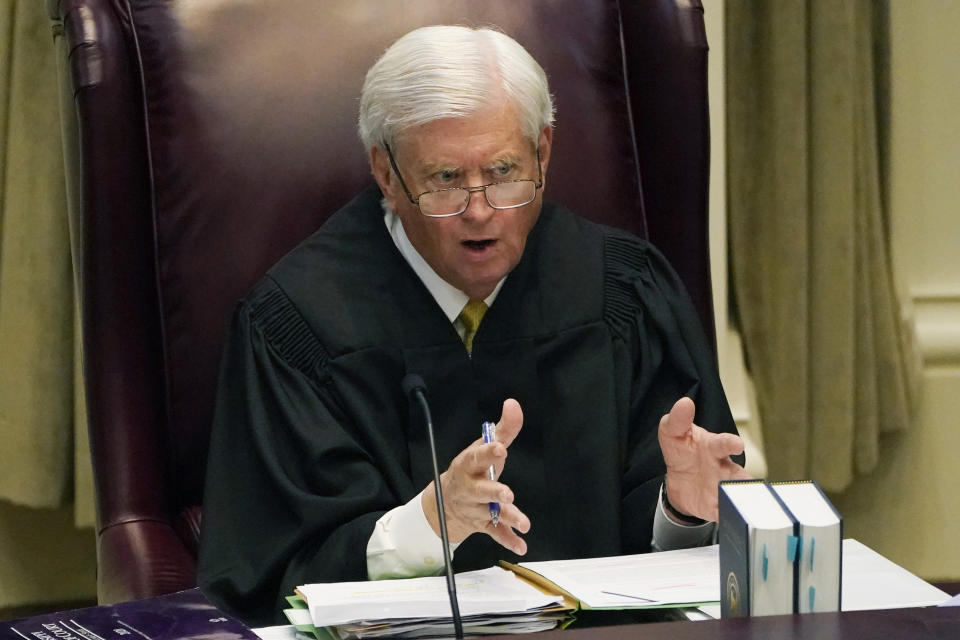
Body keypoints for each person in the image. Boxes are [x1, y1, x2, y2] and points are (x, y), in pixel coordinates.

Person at [197, 24, 750, 626]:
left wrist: (684, 513)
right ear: (387, 174)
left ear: (543, 152)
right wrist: (428, 526)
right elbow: (265, 579)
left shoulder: (625, 293)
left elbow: (685, 568)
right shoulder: (297, 326)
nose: (480, 210)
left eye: (504, 170)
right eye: (445, 179)